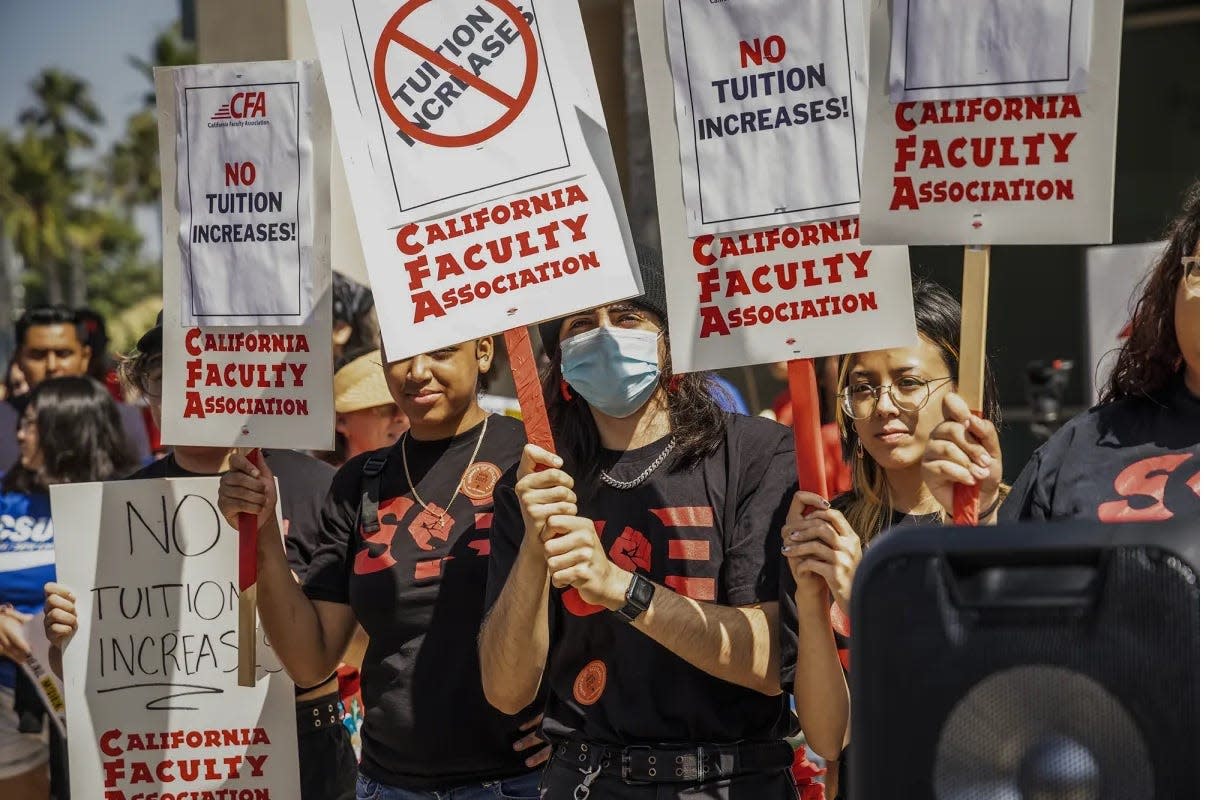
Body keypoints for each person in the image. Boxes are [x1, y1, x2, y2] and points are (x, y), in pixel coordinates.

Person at [479, 244, 800, 799]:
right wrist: (534, 548)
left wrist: (621, 589)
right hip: (587, 781)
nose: (604, 335)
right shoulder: (535, 485)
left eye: (628, 317)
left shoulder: (755, 453)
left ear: (669, 343)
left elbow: (772, 661)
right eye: (581, 323)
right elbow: (506, 691)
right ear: (560, 362)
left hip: (731, 781)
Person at [214, 334, 549, 799]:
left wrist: (580, 717)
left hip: (518, 783)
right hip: (387, 784)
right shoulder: (358, 482)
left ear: (484, 351)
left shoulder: (537, 460)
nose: (416, 371)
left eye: (441, 351)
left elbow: (603, 604)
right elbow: (311, 660)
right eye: (401, 354)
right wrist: (264, 531)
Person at [40, 317, 356, 800]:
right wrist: (69, 641)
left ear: (238, 378)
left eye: (205, 371)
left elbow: (364, 644)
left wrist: (287, 598)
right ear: (146, 389)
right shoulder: (113, 508)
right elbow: (98, 676)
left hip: (300, 746)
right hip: (170, 756)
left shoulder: (320, 487)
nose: (188, 391)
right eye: (166, 377)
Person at [780, 277, 1004, 800]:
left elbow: (984, 705)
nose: (883, 405)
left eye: (908, 382)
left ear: (960, 387)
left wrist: (865, 601)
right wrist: (813, 605)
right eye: (862, 386)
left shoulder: (1008, 519)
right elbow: (829, 739)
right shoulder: (832, 529)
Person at [922, 182, 1200, 524]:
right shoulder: (1082, 447)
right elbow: (1011, 572)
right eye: (1205, 269)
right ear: (1172, 290)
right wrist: (981, 510)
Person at [0, 376, 135, 800]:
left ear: (70, 427)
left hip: (101, 698)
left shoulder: (127, 502)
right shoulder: (5, 495)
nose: (19, 434)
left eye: (34, 424)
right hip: (9, 697)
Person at [0, 307, 151, 473]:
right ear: (18, 359)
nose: (52, 366)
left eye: (63, 354)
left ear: (85, 357)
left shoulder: (123, 419)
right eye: (38, 355)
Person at [328, 349, 410, 464]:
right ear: (340, 421)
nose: (403, 418)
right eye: (384, 408)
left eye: (407, 404)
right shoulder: (317, 480)